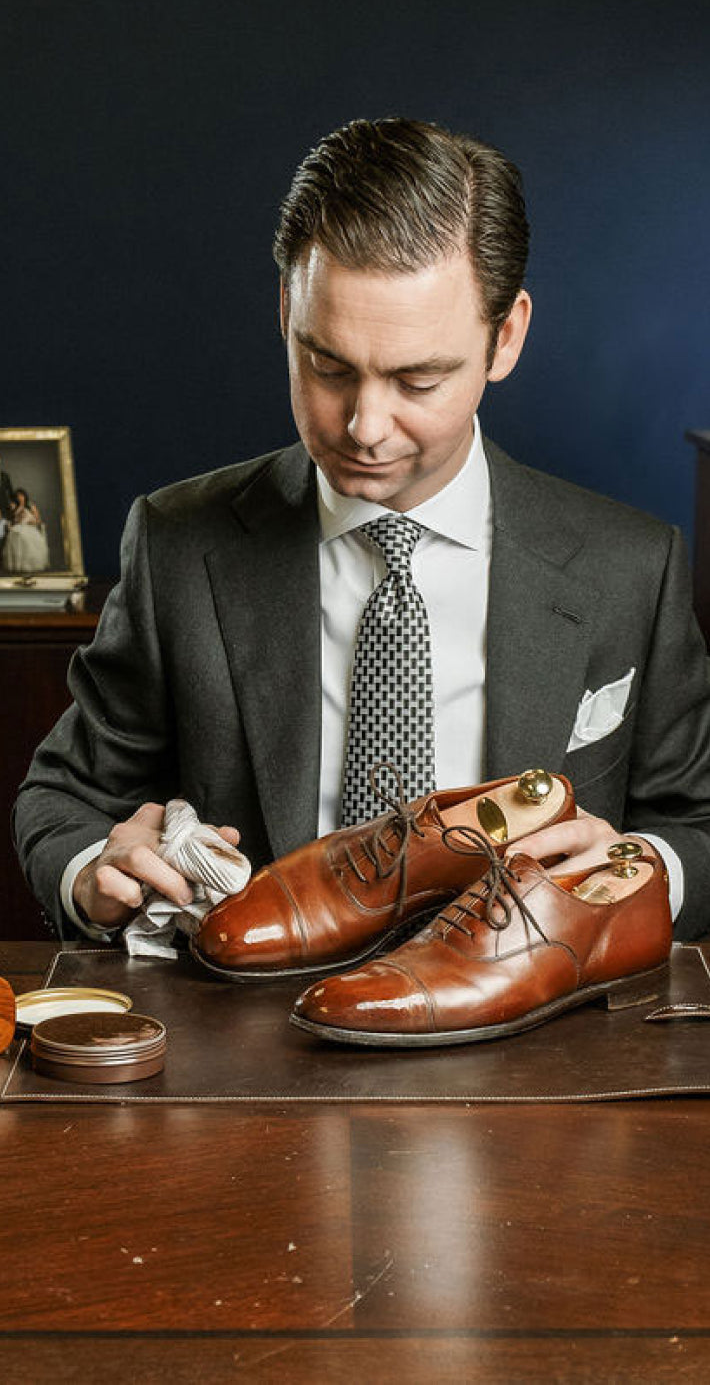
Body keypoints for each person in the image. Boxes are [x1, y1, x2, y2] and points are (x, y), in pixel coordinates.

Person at [13, 117, 710, 944]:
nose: (364, 426)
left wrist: (637, 871)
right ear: (286, 310)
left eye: (418, 379)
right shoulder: (177, 544)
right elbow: (61, 799)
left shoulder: (634, 567)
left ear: (506, 336)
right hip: (247, 1036)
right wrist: (95, 869)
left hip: (531, 1047)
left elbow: (695, 827)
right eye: (328, 367)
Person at [2, 488, 50, 573]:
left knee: (24, 536)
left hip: (29, 527)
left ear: (25, 496)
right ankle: (18, 564)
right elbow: (12, 520)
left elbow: (38, 520)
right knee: (17, 534)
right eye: (18, 496)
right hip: (18, 527)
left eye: (21, 495)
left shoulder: (31, 506)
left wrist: (31, 521)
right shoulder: (14, 507)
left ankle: (29, 564)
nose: (20, 498)